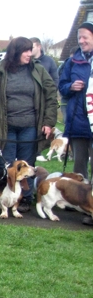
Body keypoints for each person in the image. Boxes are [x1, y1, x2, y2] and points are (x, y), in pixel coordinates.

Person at [0, 36, 58, 213]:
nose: (29, 54)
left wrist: (48, 121)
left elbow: (51, 96)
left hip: (30, 127)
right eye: (26, 50)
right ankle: (5, 199)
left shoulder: (38, 70)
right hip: (5, 127)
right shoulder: (0, 71)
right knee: (8, 167)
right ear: (15, 53)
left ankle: (24, 198)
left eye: (31, 50)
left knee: (27, 166)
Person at [59, 23, 93, 225]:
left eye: (85, 37)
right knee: (80, 165)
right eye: (79, 38)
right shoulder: (72, 62)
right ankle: (84, 206)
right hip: (79, 122)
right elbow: (61, 86)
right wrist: (70, 86)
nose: (81, 41)